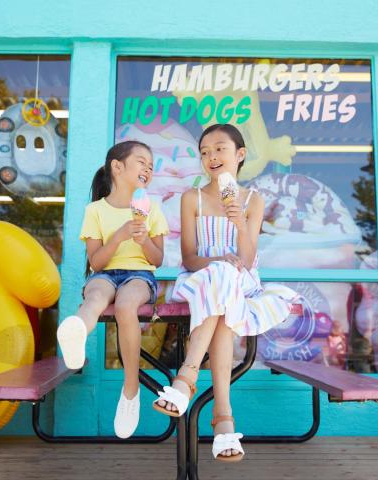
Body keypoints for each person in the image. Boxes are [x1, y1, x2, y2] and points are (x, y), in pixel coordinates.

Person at [153, 124, 300, 461]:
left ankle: (187, 380)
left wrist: (238, 223)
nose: (211, 157)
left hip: (240, 281)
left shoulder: (252, 200)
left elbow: (246, 260)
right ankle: (223, 419)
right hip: (199, 278)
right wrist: (219, 261)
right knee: (221, 278)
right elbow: (189, 257)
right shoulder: (192, 198)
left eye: (219, 149)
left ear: (240, 155)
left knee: (226, 287)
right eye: (204, 152)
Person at [57, 140, 169, 439]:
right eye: (141, 161)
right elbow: (95, 262)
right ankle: (76, 331)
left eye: (150, 164)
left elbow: (157, 259)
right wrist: (119, 235)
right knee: (94, 297)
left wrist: (144, 239)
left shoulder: (152, 209)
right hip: (105, 273)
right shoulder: (95, 211)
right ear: (117, 167)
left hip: (139, 276)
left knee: (124, 305)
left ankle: (130, 391)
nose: (148, 168)